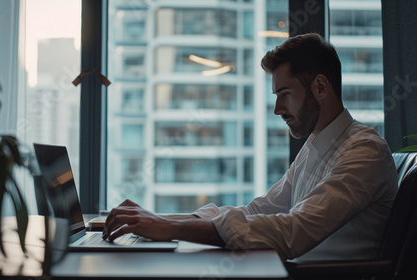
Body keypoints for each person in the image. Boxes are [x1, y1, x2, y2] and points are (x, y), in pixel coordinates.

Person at [102, 33, 398, 261]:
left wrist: (170, 229)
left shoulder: (364, 151)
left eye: (284, 94)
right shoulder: (315, 146)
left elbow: (292, 232)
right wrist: (156, 219)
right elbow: (259, 209)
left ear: (320, 87)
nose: (277, 109)